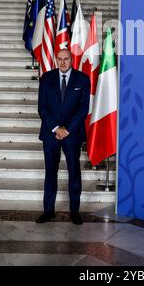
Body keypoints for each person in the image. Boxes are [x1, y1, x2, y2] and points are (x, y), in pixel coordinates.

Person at [36, 48, 90, 225]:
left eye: (66, 59)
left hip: (72, 134)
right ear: (55, 60)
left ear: (72, 59)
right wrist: (56, 128)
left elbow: (83, 109)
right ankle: (48, 211)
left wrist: (67, 129)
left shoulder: (82, 79)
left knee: (74, 172)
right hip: (51, 134)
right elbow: (42, 108)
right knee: (50, 172)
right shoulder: (46, 78)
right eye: (59, 59)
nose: (63, 62)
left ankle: (74, 211)